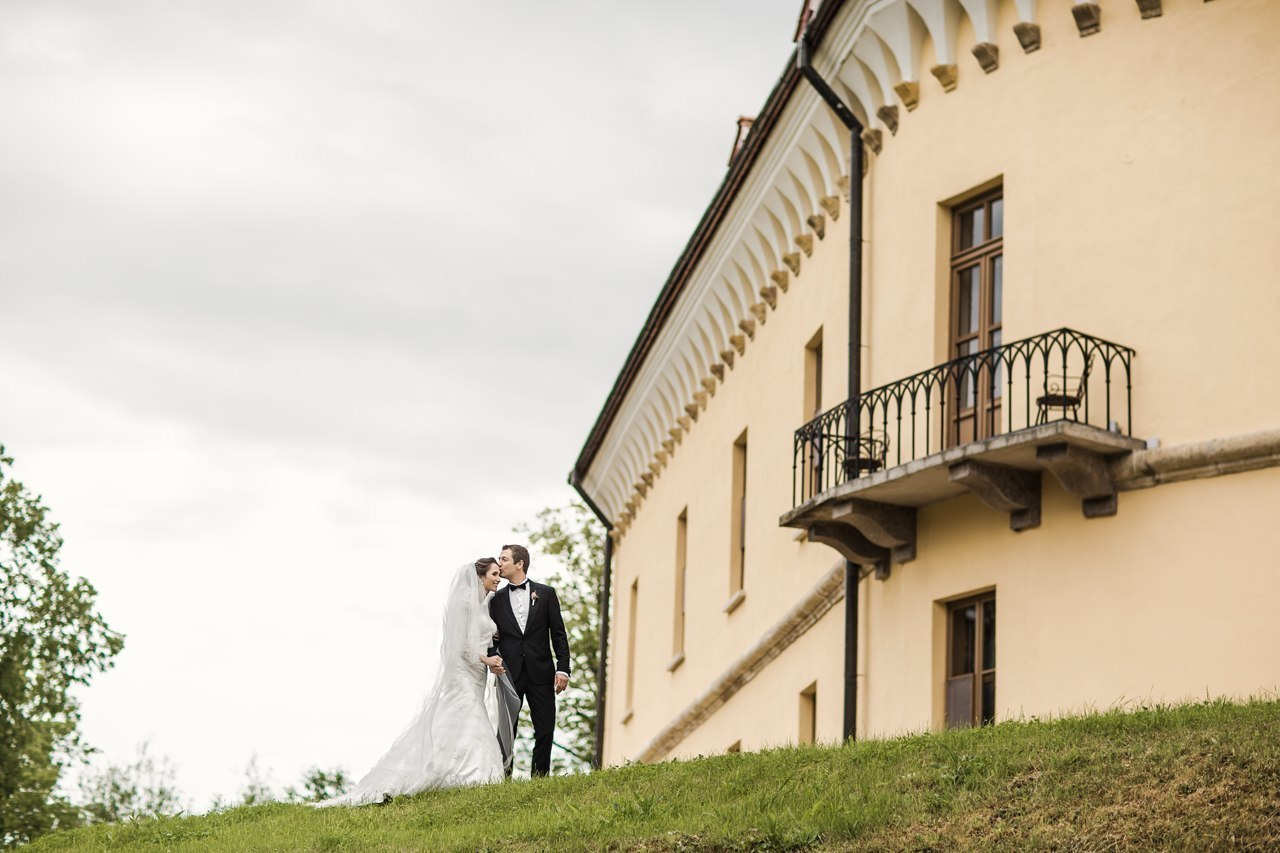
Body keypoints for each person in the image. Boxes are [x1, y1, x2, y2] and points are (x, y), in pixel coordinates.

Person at [315, 558, 517, 806]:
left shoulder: (483, 604)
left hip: (477, 675)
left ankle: (459, 770)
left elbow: (481, 635)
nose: (498, 578)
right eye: (494, 574)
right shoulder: (465, 604)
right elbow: (459, 646)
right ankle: (465, 773)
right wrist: (486, 660)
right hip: (464, 673)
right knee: (466, 717)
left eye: (499, 574)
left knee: (458, 720)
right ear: (480, 577)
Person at [486, 544, 571, 777]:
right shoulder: (495, 600)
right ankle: (504, 776)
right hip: (509, 672)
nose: (499, 563)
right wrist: (494, 657)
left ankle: (540, 777)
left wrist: (563, 669)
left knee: (545, 728)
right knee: (506, 728)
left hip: (542, 672)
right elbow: (490, 635)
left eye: (504, 559)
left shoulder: (546, 593)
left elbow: (559, 634)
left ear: (519, 563)